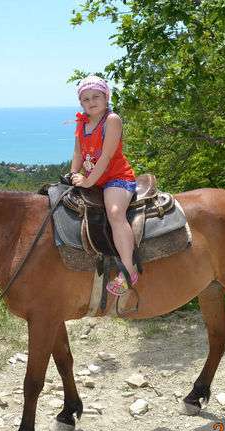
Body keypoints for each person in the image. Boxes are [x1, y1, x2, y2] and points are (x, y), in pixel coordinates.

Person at [70, 75, 138, 296]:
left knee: (115, 212)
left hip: (116, 177)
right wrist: (72, 174)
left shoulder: (112, 120)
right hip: (93, 178)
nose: (91, 102)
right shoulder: (82, 123)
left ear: (106, 96)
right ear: (81, 103)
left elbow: (107, 156)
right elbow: (79, 152)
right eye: (86, 99)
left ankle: (129, 269)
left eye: (96, 96)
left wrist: (87, 181)